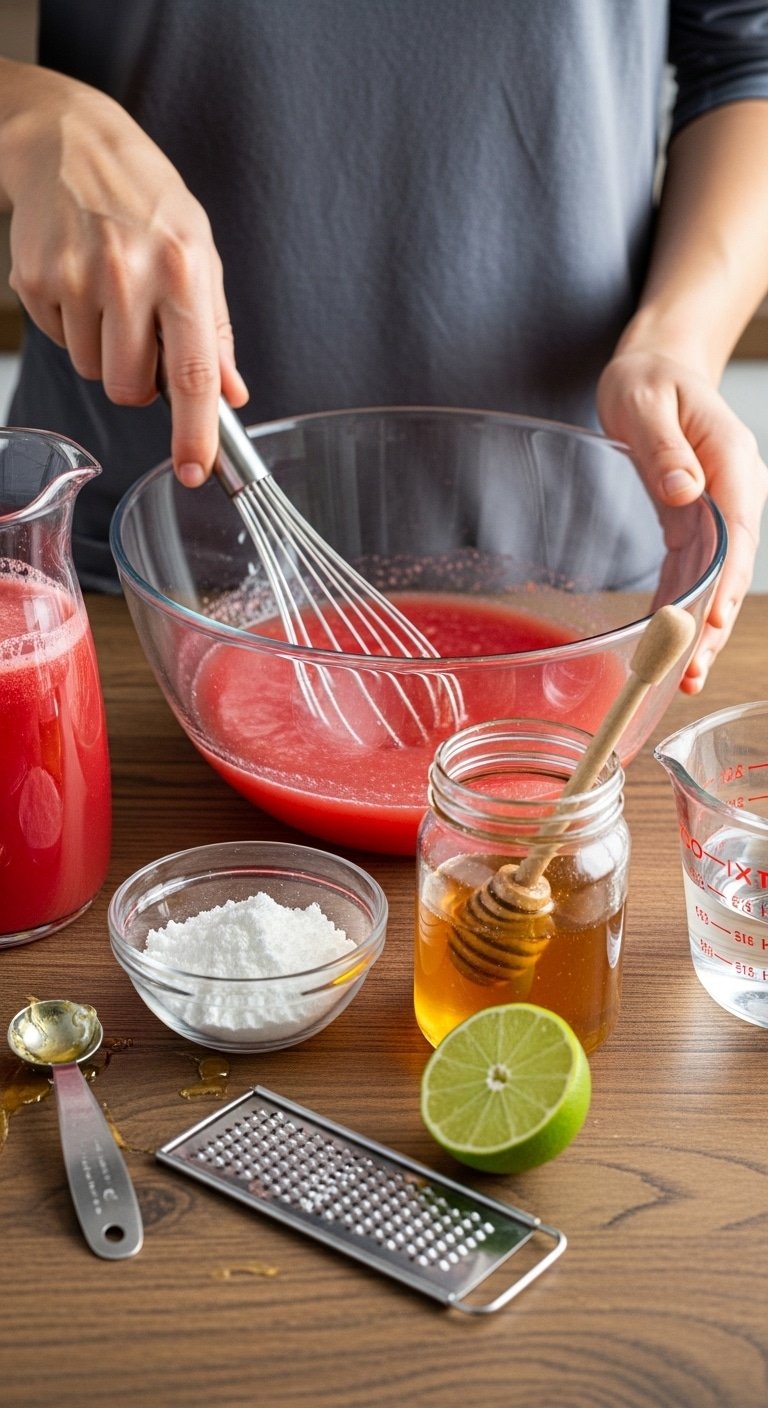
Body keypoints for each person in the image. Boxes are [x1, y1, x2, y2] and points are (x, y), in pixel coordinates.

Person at [1, 1, 767, 694]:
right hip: (135, 599)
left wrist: (677, 341)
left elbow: (746, 55)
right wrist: (35, 119)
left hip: (590, 596)